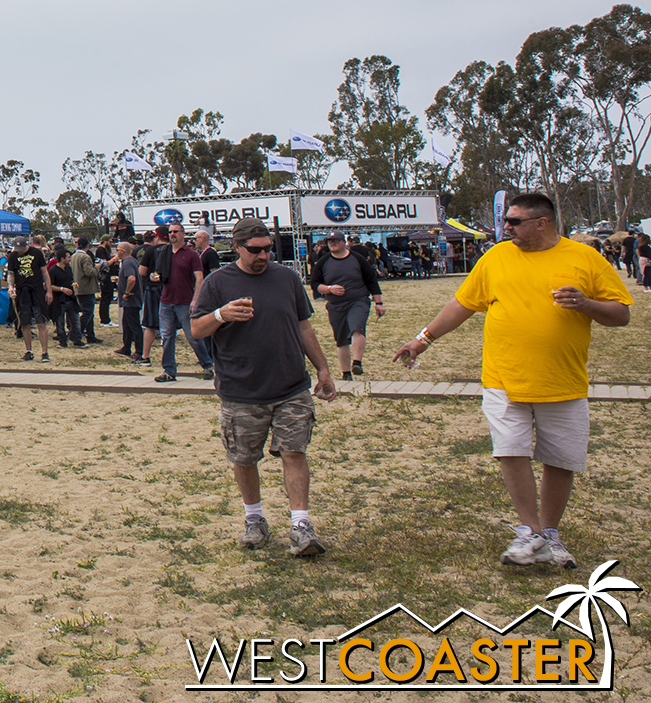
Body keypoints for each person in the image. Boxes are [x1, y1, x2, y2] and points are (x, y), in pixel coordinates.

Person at [392, 192, 632, 569]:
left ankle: (550, 535)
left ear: (543, 223)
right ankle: (529, 531)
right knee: (510, 451)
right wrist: (423, 340)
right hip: (503, 379)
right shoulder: (496, 258)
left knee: (560, 460)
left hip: (562, 382)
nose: (506, 228)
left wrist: (586, 303)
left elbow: (621, 314)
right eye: (506, 221)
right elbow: (463, 304)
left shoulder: (584, 258)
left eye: (514, 222)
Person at [190, 218, 339, 557]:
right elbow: (197, 329)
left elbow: (303, 327)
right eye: (255, 250)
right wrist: (222, 315)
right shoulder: (217, 283)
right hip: (241, 390)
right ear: (237, 248)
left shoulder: (287, 278)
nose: (263, 255)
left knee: (294, 451)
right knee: (244, 458)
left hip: (291, 386)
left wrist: (323, 369)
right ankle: (254, 520)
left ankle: (301, 526)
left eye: (268, 248)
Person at [309, 231, 384, 382]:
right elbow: (315, 284)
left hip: (358, 299)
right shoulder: (323, 262)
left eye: (336, 241)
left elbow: (371, 281)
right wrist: (330, 289)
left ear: (344, 243)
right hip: (336, 304)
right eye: (330, 241)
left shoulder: (357, 259)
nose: (332, 244)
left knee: (357, 326)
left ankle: (357, 362)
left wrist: (379, 303)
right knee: (341, 339)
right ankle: (346, 373)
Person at [155, 223, 213, 383]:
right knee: (167, 337)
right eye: (170, 232)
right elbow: (159, 274)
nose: (172, 234)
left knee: (193, 336)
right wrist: (155, 277)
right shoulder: (164, 253)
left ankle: (208, 365)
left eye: (175, 231)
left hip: (185, 302)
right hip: (166, 301)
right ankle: (169, 371)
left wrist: (196, 299)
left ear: (183, 233)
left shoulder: (191, 255)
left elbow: (199, 278)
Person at [7, 238, 49, 361]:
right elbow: (11, 274)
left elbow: (45, 272)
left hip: (36, 291)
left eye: (22, 249)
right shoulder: (13, 256)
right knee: (24, 323)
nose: (20, 252)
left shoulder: (37, 253)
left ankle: (44, 352)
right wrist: (11, 287)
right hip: (22, 291)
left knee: (41, 322)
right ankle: (28, 351)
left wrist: (49, 291)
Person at [113, 243, 147, 363]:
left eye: (117, 250)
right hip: (132, 300)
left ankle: (139, 351)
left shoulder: (127, 262)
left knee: (134, 325)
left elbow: (132, 278)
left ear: (122, 251)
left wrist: (127, 292)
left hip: (131, 300)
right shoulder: (132, 261)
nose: (116, 252)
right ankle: (126, 347)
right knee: (126, 324)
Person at [69, 237, 101, 346]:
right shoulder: (85, 257)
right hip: (86, 288)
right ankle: (77, 332)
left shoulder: (73, 256)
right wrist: (97, 267)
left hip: (77, 287)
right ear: (87, 246)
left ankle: (90, 335)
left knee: (88, 314)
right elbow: (89, 272)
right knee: (88, 312)